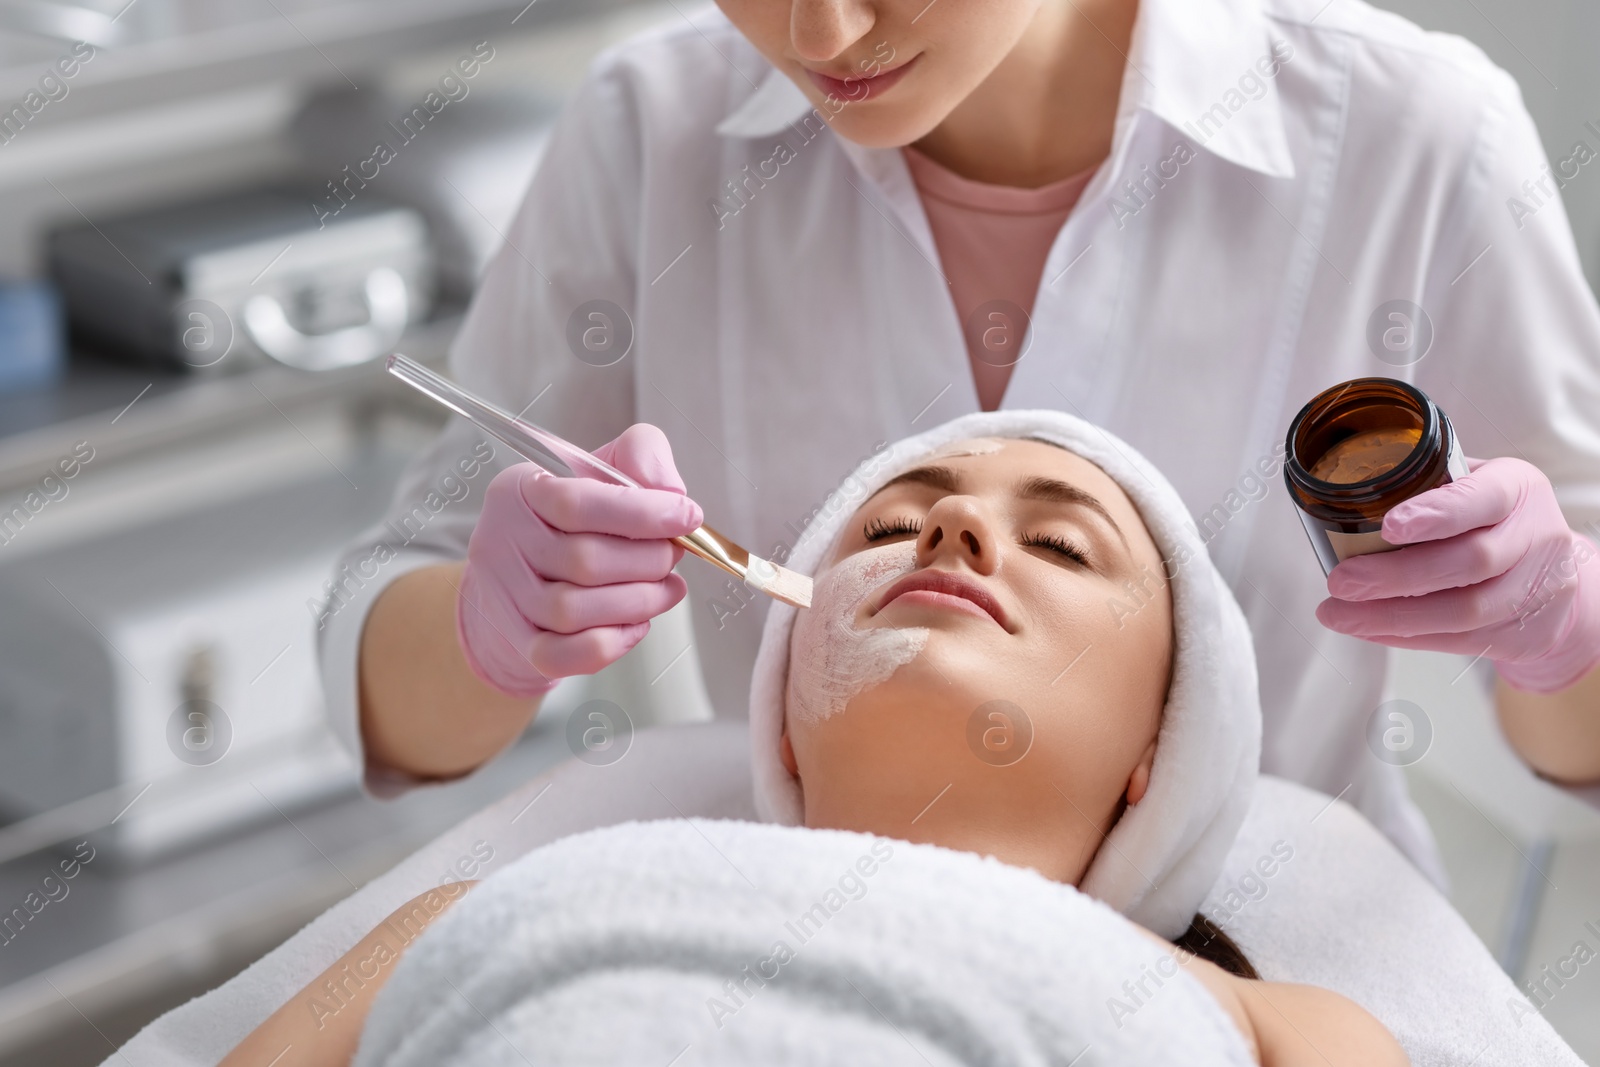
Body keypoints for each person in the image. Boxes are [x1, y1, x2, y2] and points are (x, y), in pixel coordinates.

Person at [327, 0, 1600, 884]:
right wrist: (488, 634)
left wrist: (1559, 622)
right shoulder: (645, 126)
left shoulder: (1414, 142)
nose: (822, 37)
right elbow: (402, 692)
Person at [239, 426, 1406, 1066]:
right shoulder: (464, 915)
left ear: (1158, 749)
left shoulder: (1274, 1025)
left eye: (1058, 543)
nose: (947, 528)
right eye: (892, 527)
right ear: (784, 702)